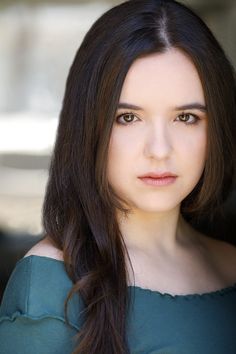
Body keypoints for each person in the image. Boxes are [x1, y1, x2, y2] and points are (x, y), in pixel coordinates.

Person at [0, 0, 236, 353]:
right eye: (127, 118)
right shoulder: (50, 285)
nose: (159, 149)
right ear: (88, 127)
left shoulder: (229, 263)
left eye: (186, 117)